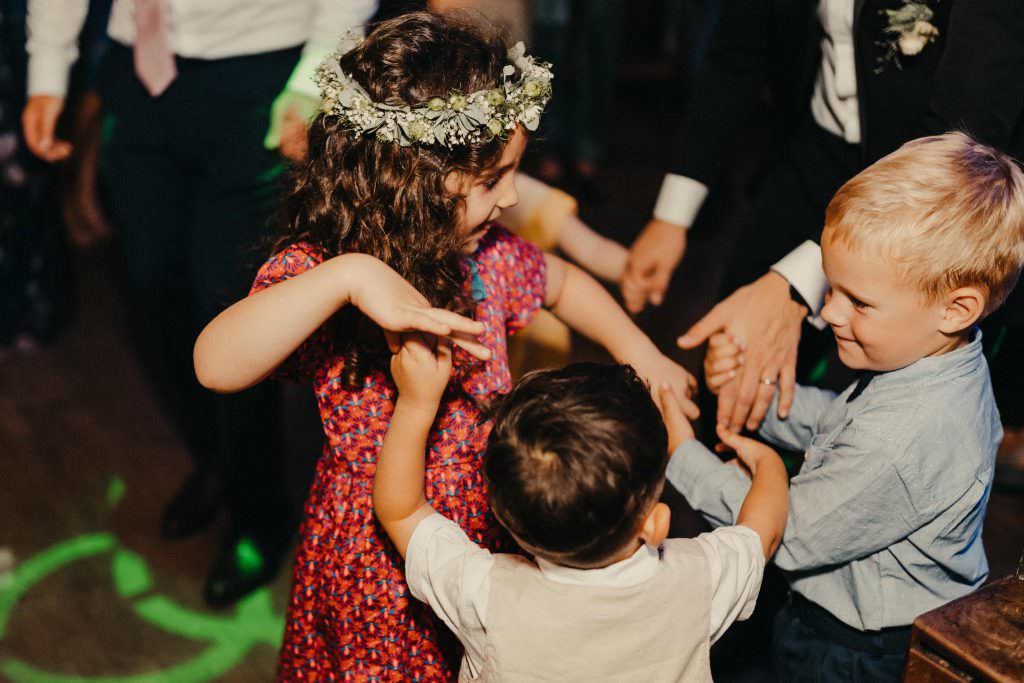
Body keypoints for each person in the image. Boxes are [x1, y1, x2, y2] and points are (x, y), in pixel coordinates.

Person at [192, 12, 699, 680]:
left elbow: (565, 283)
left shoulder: (483, 258)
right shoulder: (325, 271)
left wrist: (646, 353)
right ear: (409, 178)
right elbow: (215, 362)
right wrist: (349, 277)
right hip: (377, 560)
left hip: (492, 530)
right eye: (492, 181)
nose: (513, 196)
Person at [22, 0, 377, 607]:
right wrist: (48, 71)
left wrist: (317, 70)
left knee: (230, 308)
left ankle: (257, 510)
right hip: (138, 75)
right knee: (150, 293)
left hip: (260, 74)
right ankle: (214, 459)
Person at [673, 133, 1024, 682]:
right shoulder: (933, 367)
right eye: (831, 289)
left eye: (858, 301)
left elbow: (785, 535)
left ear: (956, 309)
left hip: (856, 653)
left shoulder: (909, 431)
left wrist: (682, 455)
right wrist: (762, 403)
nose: (830, 312)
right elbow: (841, 421)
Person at [622, 0, 1024, 436]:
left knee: (900, 420)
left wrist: (795, 283)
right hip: (809, 161)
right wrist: (672, 217)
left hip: (938, 189)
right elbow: (736, 54)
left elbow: (964, 134)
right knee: (736, 372)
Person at [374, 357, 788, 681]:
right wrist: (769, 463)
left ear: (502, 514)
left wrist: (416, 402)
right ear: (656, 524)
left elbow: (402, 510)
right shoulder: (699, 580)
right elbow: (763, 533)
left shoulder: (483, 595)